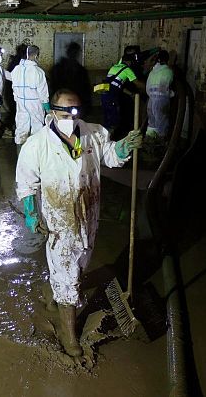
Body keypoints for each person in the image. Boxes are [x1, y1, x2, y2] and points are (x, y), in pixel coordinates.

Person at [15, 89, 143, 358]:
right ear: (52, 111)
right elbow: (26, 181)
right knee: (68, 276)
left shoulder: (94, 133)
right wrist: (31, 213)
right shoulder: (37, 144)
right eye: (64, 111)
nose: (70, 117)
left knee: (80, 264)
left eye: (75, 111)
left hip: (89, 217)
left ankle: (55, 292)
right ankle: (69, 334)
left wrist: (123, 146)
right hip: (59, 221)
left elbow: (110, 156)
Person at [97, 52, 146, 139]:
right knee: (113, 120)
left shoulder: (114, 67)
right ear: (129, 62)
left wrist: (130, 94)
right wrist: (149, 87)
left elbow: (117, 85)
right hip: (111, 96)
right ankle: (108, 141)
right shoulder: (127, 69)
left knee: (107, 119)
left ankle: (103, 138)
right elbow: (137, 83)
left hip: (104, 94)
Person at [11, 45, 49, 146]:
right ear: (36, 55)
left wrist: (17, 99)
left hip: (21, 103)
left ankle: (20, 155)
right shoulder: (38, 72)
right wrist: (47, 107)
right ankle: (34, 154)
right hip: (35, 104)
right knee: (37, 128)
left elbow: (13, 86)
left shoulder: (16, 69)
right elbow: (43, 92)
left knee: (21, 128)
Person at [50, 42, 91, 115]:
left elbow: (53, 85)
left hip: (62, 101)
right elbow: (86, 89)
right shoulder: (80, 70)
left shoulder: (58, 67)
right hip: (74, 101)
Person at [146, 50, 175, 142]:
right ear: (168, 59)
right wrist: (173, 94)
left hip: (150, 102)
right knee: (162, 124)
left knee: (152, 124)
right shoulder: (168, 71)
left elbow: (147, 89)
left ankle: (149, 142)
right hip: (161, 102)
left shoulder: (152, 72)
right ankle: (160, 145)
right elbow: (163, 90)